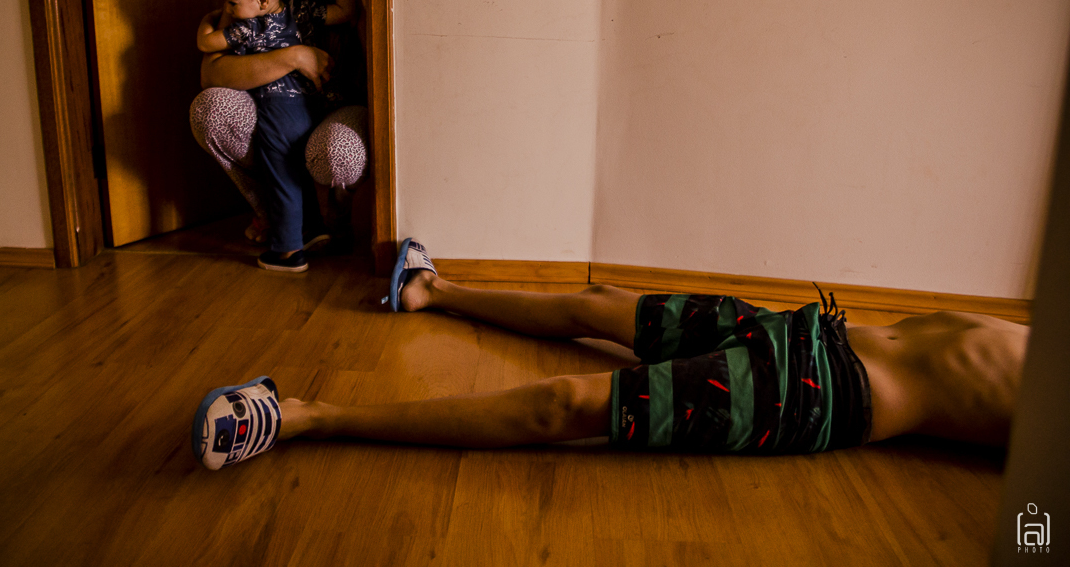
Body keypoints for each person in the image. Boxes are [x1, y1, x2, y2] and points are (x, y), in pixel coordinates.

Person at [190, 240, 1030, 470]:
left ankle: (306, 418)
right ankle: (429, 291)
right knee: (599, 304)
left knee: (567, 404)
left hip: (819, 395)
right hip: (818, 331)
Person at [190, 0, 369, 255]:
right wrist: (293, 56)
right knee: (211, 109)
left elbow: (356, 31)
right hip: (276, 107)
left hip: (334, 110)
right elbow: (212, 73)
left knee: (338, 150)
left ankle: (333, 218)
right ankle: (274, 212)